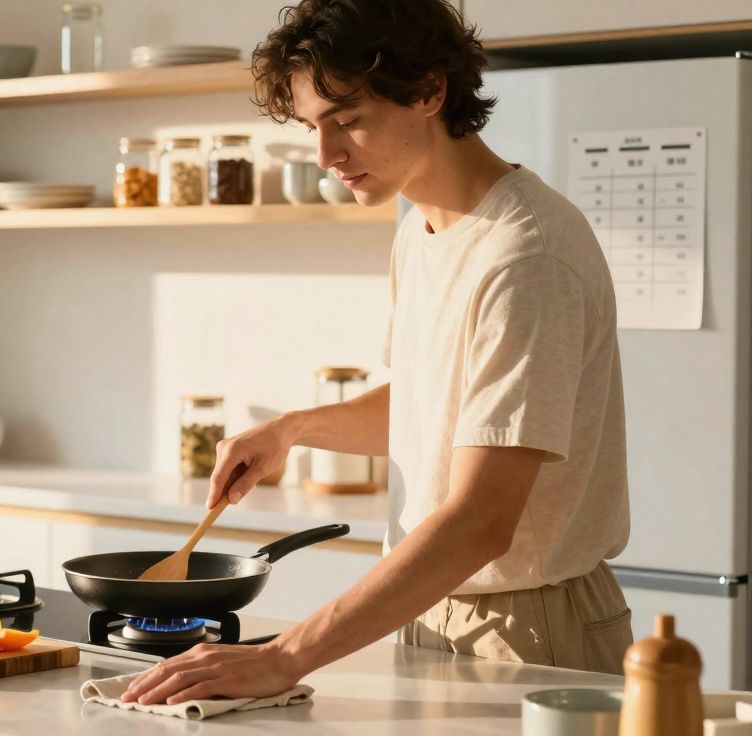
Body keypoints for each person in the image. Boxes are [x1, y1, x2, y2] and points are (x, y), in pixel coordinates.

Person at [122, 0, 632, 707]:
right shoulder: (422, 228)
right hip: (429, 611)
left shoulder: (526, 256)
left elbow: (481, 519)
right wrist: (294, 429)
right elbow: (434, 406)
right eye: (313, 128)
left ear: (429, 91)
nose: (327, 156)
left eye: (348, 119)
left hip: (528, 629)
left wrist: (284, 655)